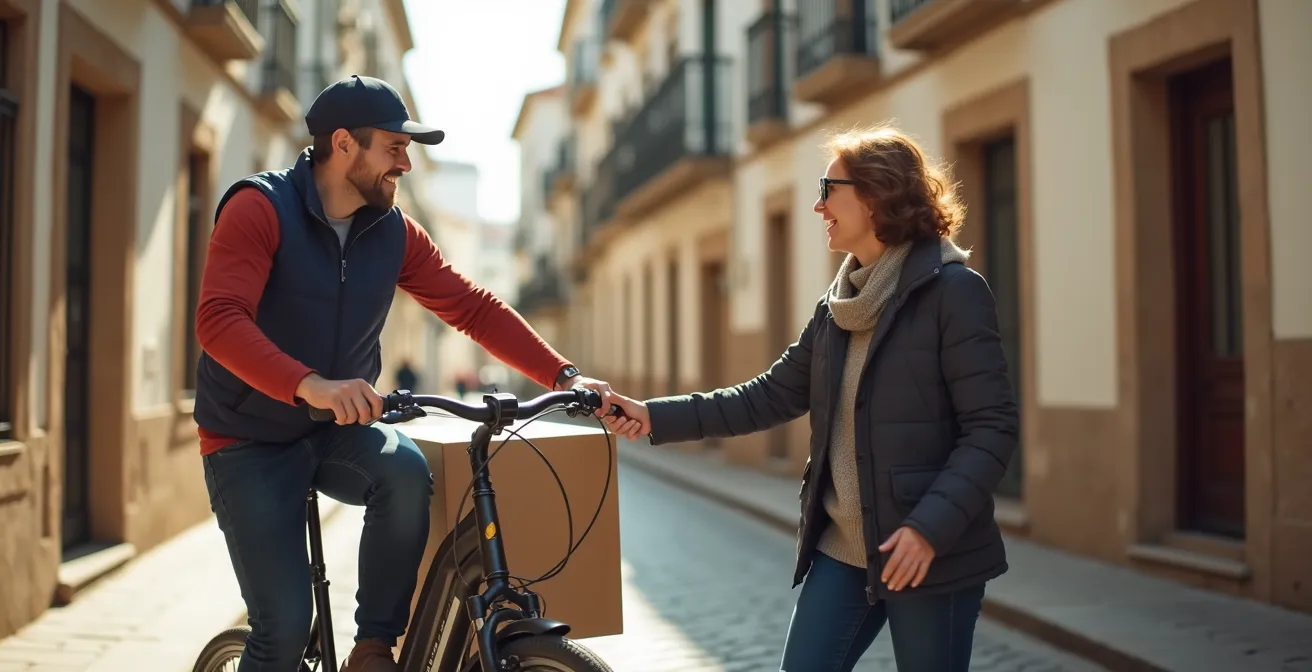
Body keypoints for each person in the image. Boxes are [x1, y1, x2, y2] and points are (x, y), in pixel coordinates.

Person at [193, 75, 618, 672]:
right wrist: (309, 383)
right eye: (394, 147)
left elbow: (470, 306)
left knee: (403, 471)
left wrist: (564, 375)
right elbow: (218, 320)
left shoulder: (391, 231)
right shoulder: (259, 209)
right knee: (283, 629)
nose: (407, 165)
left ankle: (373, 648)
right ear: (343, 144)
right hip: (247, 437)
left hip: (332, 428)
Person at [605, 124, 1018, 672]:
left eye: (829, 189)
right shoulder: (838, 306)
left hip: (927, 554)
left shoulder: (954, 292)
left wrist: (928, 529)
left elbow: (991, 426)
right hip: (843, 552)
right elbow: (767, 397)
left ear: (875, 196)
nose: (818, 207)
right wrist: (653, 415)